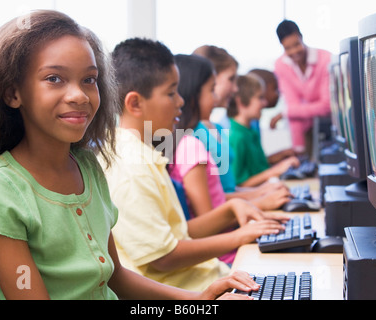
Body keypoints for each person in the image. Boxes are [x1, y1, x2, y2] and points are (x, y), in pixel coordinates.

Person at [0, 10, 258, 300]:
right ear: (13, 93)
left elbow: (116, 278)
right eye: (54, 78)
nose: (79, 95)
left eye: (89, 79)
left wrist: (197, 299)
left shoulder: (87, 166)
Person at [101, 38, 285, 291]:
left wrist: (234, 209)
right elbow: (162, 256)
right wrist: (239, 235)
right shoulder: (131, 167)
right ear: (135, 103)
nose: (180, 101)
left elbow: (176, 234)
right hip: (195, 290)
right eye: (170, 93)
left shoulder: (143, 154)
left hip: (207, 279)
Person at [167, 54, 290, 264]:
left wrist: (258, 198)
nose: (232, 89)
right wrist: (259, 202)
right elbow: (210, 218)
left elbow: (221, 195)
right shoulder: (191, 143)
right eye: (210, 88)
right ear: (195, 93)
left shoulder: (203, 134)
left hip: (227, 242)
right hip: (223, 254)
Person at [192, 45, 292, 208]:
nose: (236, 88)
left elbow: (225, 191)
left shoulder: (216, 128)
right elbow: (210, 204)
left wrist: (261, 193)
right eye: (231, 79)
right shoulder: (192, 135)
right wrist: (259, 200)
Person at [227, 74, 300, 188]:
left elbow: (255, 168)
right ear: (241, 102)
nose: (265, 103)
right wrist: (275, 171)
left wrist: (279, 158)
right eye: (260, 98)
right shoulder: (236, 136)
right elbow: (238, 185)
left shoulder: (251, 130)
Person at [273, 20, 332, 155]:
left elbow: (326, 106)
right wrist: (299, 151)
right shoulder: (281, 65)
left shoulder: (325, 59)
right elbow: (293, 108)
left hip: (327, 125)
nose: (294, 51)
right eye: (287, 48)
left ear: (301, 37)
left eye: (296, 44)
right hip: (303, 130)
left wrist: (286, 112)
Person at [248, 68, 296, 164]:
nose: (278, 94)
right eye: (275, 89)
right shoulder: (242, 128)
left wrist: (279, 156)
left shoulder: (254, 121)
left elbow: (255, 163)